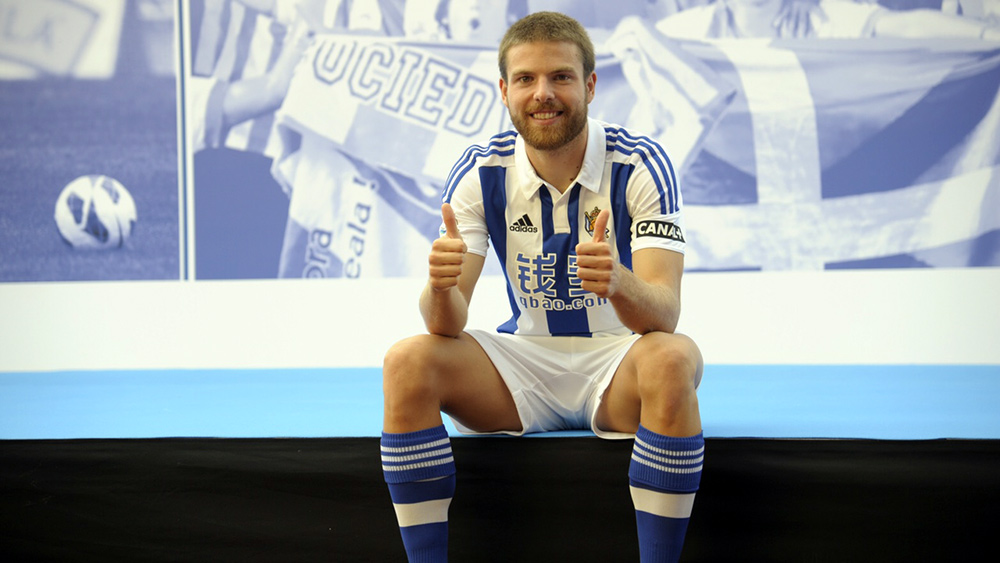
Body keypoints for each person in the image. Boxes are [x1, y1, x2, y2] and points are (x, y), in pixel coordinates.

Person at [380, 11, 704, 563]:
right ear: (504, 91)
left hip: (618, 362)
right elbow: (446, 324)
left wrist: (619, 282)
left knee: (673, 359)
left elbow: (664, 315)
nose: (543, 94)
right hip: (522, 367)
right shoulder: (480, 171)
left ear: (591, 86)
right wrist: (438, 287)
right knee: (406, 362)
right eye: (526, 79)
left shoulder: (641, 163)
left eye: (561, 77)